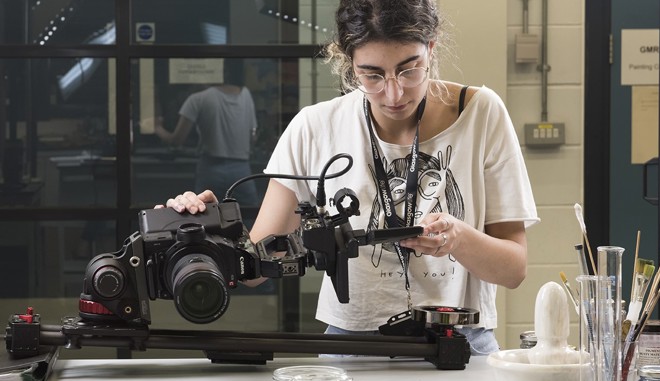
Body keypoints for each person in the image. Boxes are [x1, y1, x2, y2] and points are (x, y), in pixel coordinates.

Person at [160, 0, 539, 355]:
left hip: (460, 340)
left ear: (432, 48)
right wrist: (203, 231)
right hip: (355, 343)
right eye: (371, 75)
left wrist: (460, 238)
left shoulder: (482, 114)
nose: (394, 93)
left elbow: (514, 270)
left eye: (410, 69)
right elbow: (255, 267)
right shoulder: (315, 126)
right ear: (347, 63)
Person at [155, 59, 259, 206]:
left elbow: (177, 139)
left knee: (206, 215)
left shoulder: (198, 99)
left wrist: (156, 127)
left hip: (211, 168)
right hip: (241, 169)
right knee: (250, 215)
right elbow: (252, 137)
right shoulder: (246, 94)